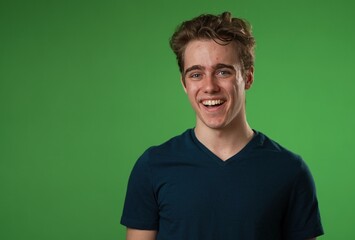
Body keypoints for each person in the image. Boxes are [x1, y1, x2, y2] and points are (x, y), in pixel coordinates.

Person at [121, 11, 324, 240]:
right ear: (184, 84)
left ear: (247, 77)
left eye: (223, 71)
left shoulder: (290, 171)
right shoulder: (152, 167)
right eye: (196, 74)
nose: (209, 86)